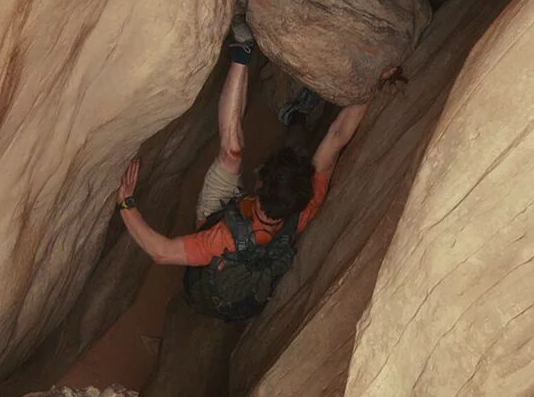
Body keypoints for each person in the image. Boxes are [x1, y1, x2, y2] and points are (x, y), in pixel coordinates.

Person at [114, 17, 369, 321]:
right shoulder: (303, 210)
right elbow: (337, 138)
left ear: (258, 185)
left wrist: (126, 203)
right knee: (259, 152)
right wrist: (373, 83)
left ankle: (242, 50)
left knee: (231, 154)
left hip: (222, 219)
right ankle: (293, 112)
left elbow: (162, 252)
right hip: (253, 239)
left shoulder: (221, 239)